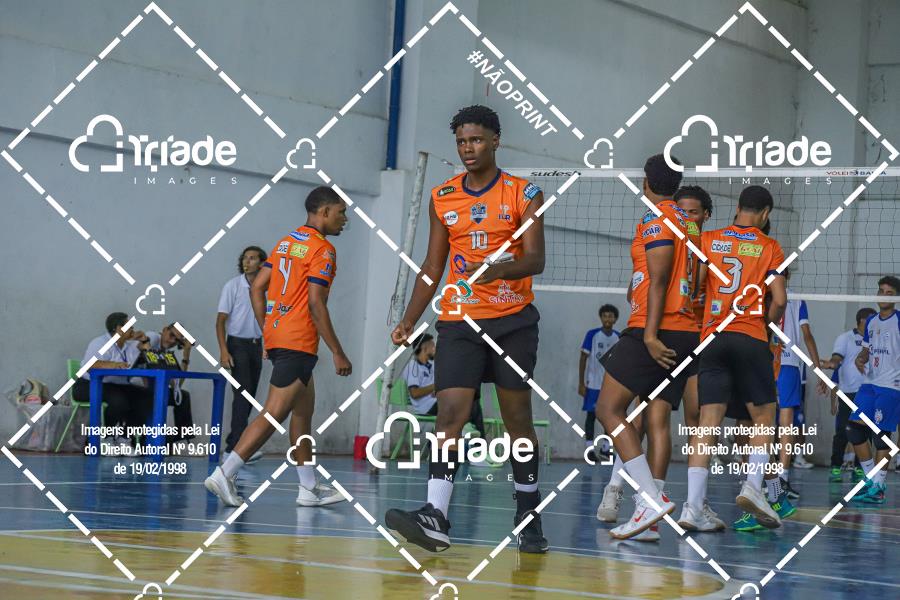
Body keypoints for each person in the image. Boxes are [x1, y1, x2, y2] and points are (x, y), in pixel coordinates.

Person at [384, 105, 548, 554]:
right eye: (461, 142)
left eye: (475, 140)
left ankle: (528, 513)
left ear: (495, 140)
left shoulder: (524, 193)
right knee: (450, 414)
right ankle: (436, 515)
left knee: (517, 421)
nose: (467, 148)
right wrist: (410, 318)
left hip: (513, 321)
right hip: (460, 320)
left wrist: (498, 271)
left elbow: (536, 259)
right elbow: (432, 265)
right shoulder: (443, 197)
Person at [204, 186, 351, 507]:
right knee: (274, 414)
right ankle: (225, 473)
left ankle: (308, 487)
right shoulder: (323, 250)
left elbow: (257, 287)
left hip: (281, 336)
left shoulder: (287, 243)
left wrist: (267, 329)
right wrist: (337, 351)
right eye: (341, 212)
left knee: (302, 413)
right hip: (299, 340)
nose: (345, 219)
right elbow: (316, 303)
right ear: (324, 211)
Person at [595, 153, 697, 540]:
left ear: (646, 183)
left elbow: (658, 281)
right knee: (651, 418)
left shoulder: (657, 220)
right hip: (685, 329)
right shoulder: (690, 224)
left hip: (655, 329)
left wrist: (651, 335)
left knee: (609, 409)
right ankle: (646, 518)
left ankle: (648, 499)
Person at [678, 185, 790, 533]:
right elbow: (780, 300)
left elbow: (694, 288)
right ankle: (753, 487)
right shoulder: (770, 247)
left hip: (713, 338)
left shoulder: (709, 239)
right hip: (750, 335)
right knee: (763, 418)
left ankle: (692, 507)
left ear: (738, 207)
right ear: (765, 214)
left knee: (707, 423)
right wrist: (766, 325)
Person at [847, 275, 900, 504]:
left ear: (896, 297)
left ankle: (879, 486)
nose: (884, 296)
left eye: (890, 293)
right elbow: (866, 350)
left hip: (891, 385)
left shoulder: (898, 320)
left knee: (881, 436)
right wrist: (860, 358)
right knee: (853, 429)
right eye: (881, 291)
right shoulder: (871, 321)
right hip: (870, 383)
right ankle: (871, 480)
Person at [216, 245, 267, 463]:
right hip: (237, 345)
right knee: (242, 395)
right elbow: (220, 321)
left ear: (262, 263)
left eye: (252, 258)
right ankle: (233, 448)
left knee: (249, 396)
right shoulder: (233, 286)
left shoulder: (267, 287)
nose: (247, 261)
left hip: (257, 345)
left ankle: (237, 446)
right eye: (245, 258)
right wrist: (224, 350)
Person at [72, 312, 150, 449]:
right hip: (88, 385)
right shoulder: (99, 343)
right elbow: (90, 365)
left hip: (115, 385)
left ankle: (125, 438)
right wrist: (113, 364)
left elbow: (147, 359)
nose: (133, 330)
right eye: (130, 327)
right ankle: (107, 438)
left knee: (146, 398)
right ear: (119, 328)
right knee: (119, 400)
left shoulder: (130, 346)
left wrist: (144, 340)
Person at [776, 271, 822, 499]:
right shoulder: (796, 299)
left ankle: (756, 479)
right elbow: (807, 335)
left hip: (765, 361)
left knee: (759, 422)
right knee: (786, 425)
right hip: (788, 364)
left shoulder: (759, 292)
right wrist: (818, 369)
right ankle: (781, 479)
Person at [820, 308, 876, 482]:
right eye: (870, 320)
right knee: (843, 431)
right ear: (861, 321)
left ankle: (860, 468)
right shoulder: (845, 338)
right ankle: (836, 466)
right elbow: (837, 358)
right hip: (848, 393)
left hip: (868, 392)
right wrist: (832, 363)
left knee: (865, 432)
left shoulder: (876, 338)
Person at [402, 334, 486, 436]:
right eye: (432, 346)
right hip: (426, 408)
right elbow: (414, 393)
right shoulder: (413, 366)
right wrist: (436, 386)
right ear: (424, 348)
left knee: (471, 399)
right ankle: (470, 436)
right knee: (463, 402)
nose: (435, 349)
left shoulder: (432, 366)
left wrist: (439, 389)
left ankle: (472, 436)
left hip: (437, 401)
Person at [137, 323, 195, 442]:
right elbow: (140, 345)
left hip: (151, 390)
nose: (172, 341)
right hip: (134, 388)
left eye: (177, 340)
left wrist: (186, 355)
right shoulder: (153, 337)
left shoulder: (166, 353)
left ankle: (182, 438)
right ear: (164, 330)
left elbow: (177, 385)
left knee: (183, 396)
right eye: (171, 335)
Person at [579, 304, 620, 462]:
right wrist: (581, 383)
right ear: (601, 318)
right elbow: (583, 358)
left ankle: (605, 449)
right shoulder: (592, 335)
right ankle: (589, 449)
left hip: (611, 386)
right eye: (605, 316)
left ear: (615, 319)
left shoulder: (619, 337)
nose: (607, 319)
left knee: (610, 417)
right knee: (591, 416)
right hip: (593, 384)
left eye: (611, 316)